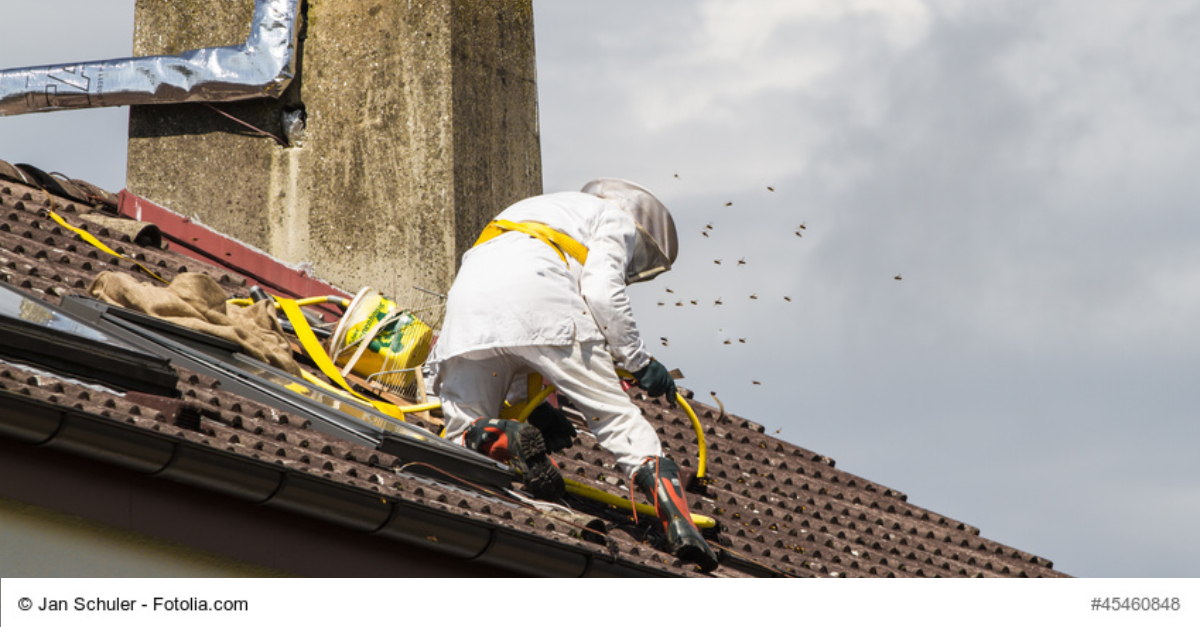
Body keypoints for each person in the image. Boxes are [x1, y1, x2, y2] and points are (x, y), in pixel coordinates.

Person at [428, 179, 718, 571]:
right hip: (543, 296)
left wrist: (531, 413)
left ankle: (505, 435)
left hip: (469, 306)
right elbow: (601, 291)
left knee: (460, 428)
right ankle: (682, 527)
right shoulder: (615, 218)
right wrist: (640, 362)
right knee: (618, 420)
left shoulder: (538, 209)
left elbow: (512, 341)